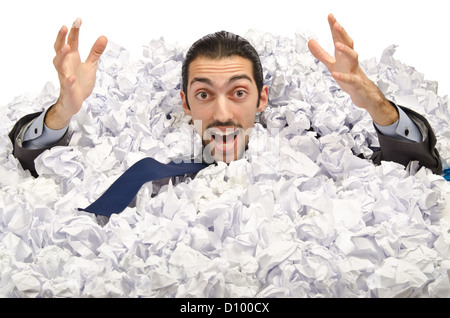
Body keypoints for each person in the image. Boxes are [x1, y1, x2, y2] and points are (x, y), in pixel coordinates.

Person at [9, 14, 442, 179]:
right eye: (203, 94)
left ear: (263, 99)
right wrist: (62, 112)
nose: (221, 113)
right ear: (184, 103)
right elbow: (35, 167)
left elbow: (410, 169)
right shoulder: (138, 154)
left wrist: (376, 104)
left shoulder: (310, 153)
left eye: (238, 93)